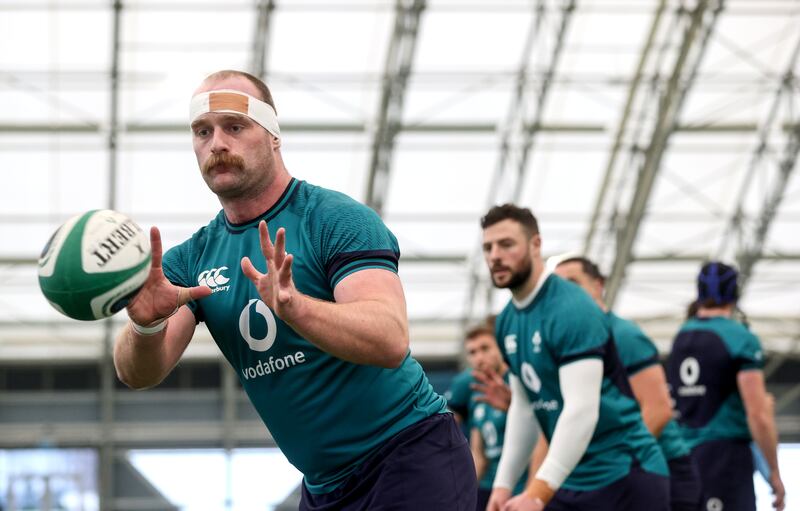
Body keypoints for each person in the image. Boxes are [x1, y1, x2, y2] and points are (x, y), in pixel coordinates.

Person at [112, 69, 476, 510]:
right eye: (202, 132)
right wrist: (144, 326)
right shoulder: (191, 259)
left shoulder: (335, 219)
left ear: (273, 135)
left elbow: (390, 339)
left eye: (235, 126)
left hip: (409, 456)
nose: (217, 144)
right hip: (324, 486)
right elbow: (138, 373)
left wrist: (296, 307)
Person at [481, 204, 668, 511]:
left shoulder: (572, 308)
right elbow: (525, 408)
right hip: (572, 477)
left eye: (506, 244)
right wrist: (503, 485)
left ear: (535, 245)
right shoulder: (506, 322)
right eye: (488, 247)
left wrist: (538, 493)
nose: (495, 256)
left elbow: (582, 411)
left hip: (627, 475)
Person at [554, 256, 701, 511]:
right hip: (608, 472)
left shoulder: (622, 335)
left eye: (574, 282)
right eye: (559, 288)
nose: (567, 294)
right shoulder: (566, 342)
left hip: (659, 466)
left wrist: (617, 459)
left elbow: (658, 409)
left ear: (599, 285)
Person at [666, 262, 785, 511]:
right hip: (724, 458)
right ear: (734, 294)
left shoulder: (681, 336)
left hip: (684, 457)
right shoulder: (739, 337)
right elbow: (758, 414)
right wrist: (773, 471)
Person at [447, 322, 529, 510]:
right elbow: (479, 453)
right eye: (472, 352)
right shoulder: (478, 393)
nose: (479, 357)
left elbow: (542, 434)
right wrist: (462, 490)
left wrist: (512, 405)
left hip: (521, 485)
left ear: (500, 346)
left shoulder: (519, 381)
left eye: (485, 348)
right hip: (490, 486)